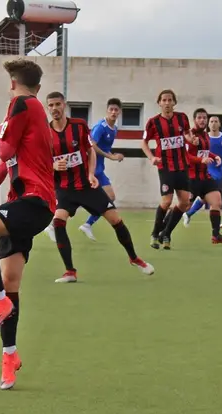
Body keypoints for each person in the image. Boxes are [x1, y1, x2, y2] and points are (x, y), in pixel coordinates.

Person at [0, 58, 55, 391]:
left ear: (13, 84)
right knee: (11, 279)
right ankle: (9, 358)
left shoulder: (20, 104)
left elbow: (3, 151)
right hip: (26, 203)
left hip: (33, 202)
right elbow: (6, 165)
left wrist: (3, 132)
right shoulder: (34, 114)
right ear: (39, 88)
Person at [43, 92, 154, 282]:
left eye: (57, 104)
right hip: (64, 188)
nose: (54, 108)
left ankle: (134, 258)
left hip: (86, 186)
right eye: (50, 105)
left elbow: (90, 151)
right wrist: (52, 165)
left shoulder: (79, 126)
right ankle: (70, 271)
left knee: (116, 220)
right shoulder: (45, 132)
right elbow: (41, 160)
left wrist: (91, 174)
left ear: (64, 105)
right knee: (59, 222)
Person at [167, 107, 222, 244]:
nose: (202, 120)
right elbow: (186, 156)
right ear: (194, 120)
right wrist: (200, 160)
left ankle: (216, 235)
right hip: (191, 178)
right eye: (199, 118)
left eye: (204, 118)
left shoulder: (205, 136)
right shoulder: (190, 135)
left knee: (216, 201)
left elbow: (204, 152)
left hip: (205, 176)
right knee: (184, 206)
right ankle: (165, 230)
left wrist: (214, 156)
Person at [141, 89, 194, 250]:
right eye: (164, 100)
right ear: (159, 103)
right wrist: (152, 157)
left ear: (174, 102)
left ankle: (166, 233)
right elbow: (143, 143)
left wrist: (191, 138)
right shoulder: (153, 122)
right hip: (165, 166)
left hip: (181, 166)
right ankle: (154, 234)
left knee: (185, 202)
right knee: (167, 201)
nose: (167, 103)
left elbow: (186, 133)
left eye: (170, 100)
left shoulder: (182, 118)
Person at [77, 98, 126, 241]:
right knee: (79, 198)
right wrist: (110, 156)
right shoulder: (100, 127)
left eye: (116, 110)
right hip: (91, 168)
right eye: (111, 109)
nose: (113, 112)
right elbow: (92, 146)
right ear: (107, 110)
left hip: (99, 169)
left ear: (119, 112)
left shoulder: (114, 129)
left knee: (110, 197)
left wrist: (114, 155)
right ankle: (56, 222)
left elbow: (106, 149)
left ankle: (87, 224)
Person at [183, 113, 222, 227]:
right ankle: (216, 222)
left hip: (219, 170)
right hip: (206, 170)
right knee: (213, 195)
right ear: (208, 123)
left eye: (216, 121)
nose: (213, 123)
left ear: (219, 124)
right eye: (211, 121)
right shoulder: (204, 137)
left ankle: (188, 213)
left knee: (204, 198)